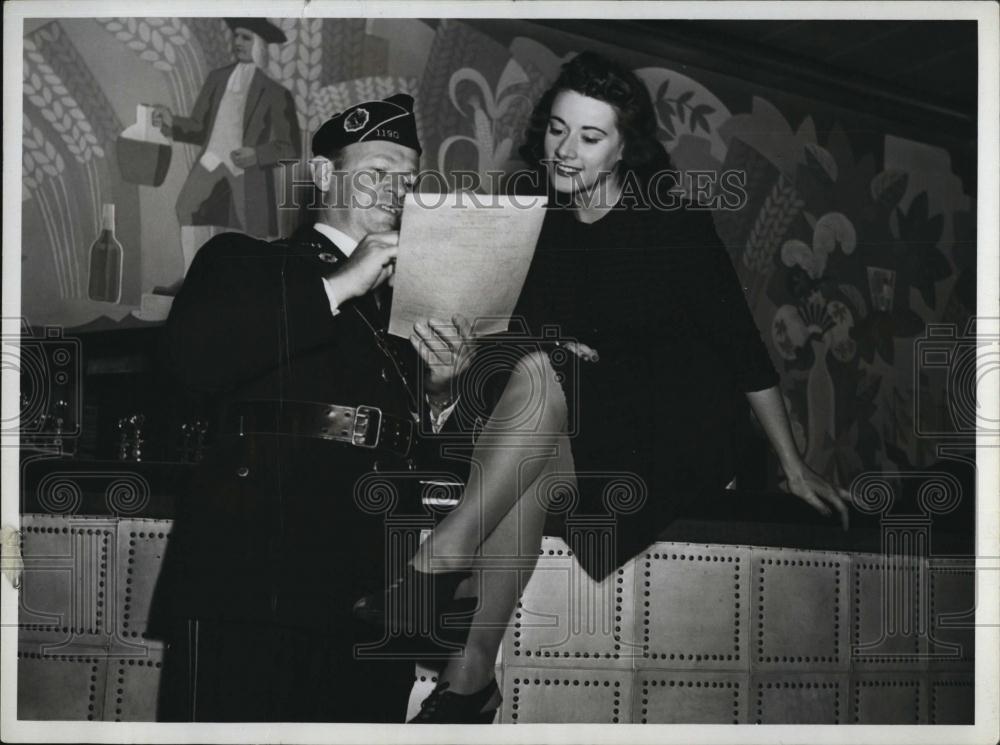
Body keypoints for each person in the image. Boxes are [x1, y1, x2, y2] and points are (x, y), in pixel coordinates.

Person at [355, 51, 853, 724]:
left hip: (672, 425)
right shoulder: (538, 225)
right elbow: (508, 341)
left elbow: (743, 347)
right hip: (576, 423)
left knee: (540, 379)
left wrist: (792, 466)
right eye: (558, 129)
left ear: (625, 148)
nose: (565, 150)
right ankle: (471, 676)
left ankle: (445, 557)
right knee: (534, 387)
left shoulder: (671, 224)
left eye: (590, 137)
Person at [148, 93, 469, 722]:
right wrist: (342, 283)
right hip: (256, 573)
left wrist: (440, 390)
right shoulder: (248, 261)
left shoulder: (415, 302)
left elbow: (434, 458)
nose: (395, 190)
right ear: (323, 174)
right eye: (375, 172)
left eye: (408, 179)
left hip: (377, 587)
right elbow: (189, 364)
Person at [151, 18, 300, 272]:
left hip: (247, 171)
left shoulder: (275, 92)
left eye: (246, 38)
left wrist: (256, 154)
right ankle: (192, 277)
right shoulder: (217, 79)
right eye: (236, 36)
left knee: (252, 229)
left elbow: (291, 149)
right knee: (186, 209)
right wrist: (171, 122)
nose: (238, 43)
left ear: (260, 44)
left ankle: (246, 288)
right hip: (211, 160)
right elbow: (199, 127)